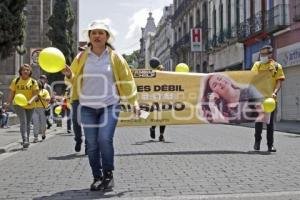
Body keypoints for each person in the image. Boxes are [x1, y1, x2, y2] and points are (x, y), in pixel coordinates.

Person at [63, 19, 140, 191]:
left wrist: (134, 102)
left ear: (107, 37)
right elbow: (74, 80)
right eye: (94, 33)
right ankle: (96, 177)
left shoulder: (116, 57)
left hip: (110, 105)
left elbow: (127, 80)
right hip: (87, 107)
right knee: (91, 143)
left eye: (101, 33)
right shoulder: (81, 57)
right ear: (89, 37)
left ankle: (108, 174)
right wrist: (69, 74)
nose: (97, 36)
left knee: (104, 139)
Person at [251, 45, 285, 152]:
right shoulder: (257, 65)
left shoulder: (276, 66)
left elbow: (279, 82)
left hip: (271, 100)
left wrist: (275, 92)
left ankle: (270, 145)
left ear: (270, 54)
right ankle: (257, 143)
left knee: (270, 124)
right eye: (261, 54)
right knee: (259, 123)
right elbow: (251, 77)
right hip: (259, 99)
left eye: (265, 54)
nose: (263, 56)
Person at [200, 73, 265, 124]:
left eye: (220, 79)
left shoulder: (250, 91)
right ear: (213, 93)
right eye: (215, 85)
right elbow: (219, 123)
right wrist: (212, 104)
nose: (220, 83)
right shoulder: (220, 107)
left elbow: (264, 114)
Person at [6, 64, 38, 148]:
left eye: (28, 70)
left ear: (30, 72)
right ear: (21, 71)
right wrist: (8, 103)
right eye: (24, 70)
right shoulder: (16, 81)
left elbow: (35, 95)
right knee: (23, 121)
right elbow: (11, 93)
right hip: (18, 104)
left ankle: (26, 139)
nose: (26, 71)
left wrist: (30, 101)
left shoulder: (33, 82)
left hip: (30, 105)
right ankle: (25, 140)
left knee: (27, 123)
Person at [148, 57, 166, 142]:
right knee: (157, 116)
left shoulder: (165, 76)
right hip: (154, 99)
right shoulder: (151, 75)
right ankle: (153, 128)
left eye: (162, 71)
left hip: (164, 98)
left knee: (163, 117)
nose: (161, 72)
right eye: (160, 71)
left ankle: (161, 135)